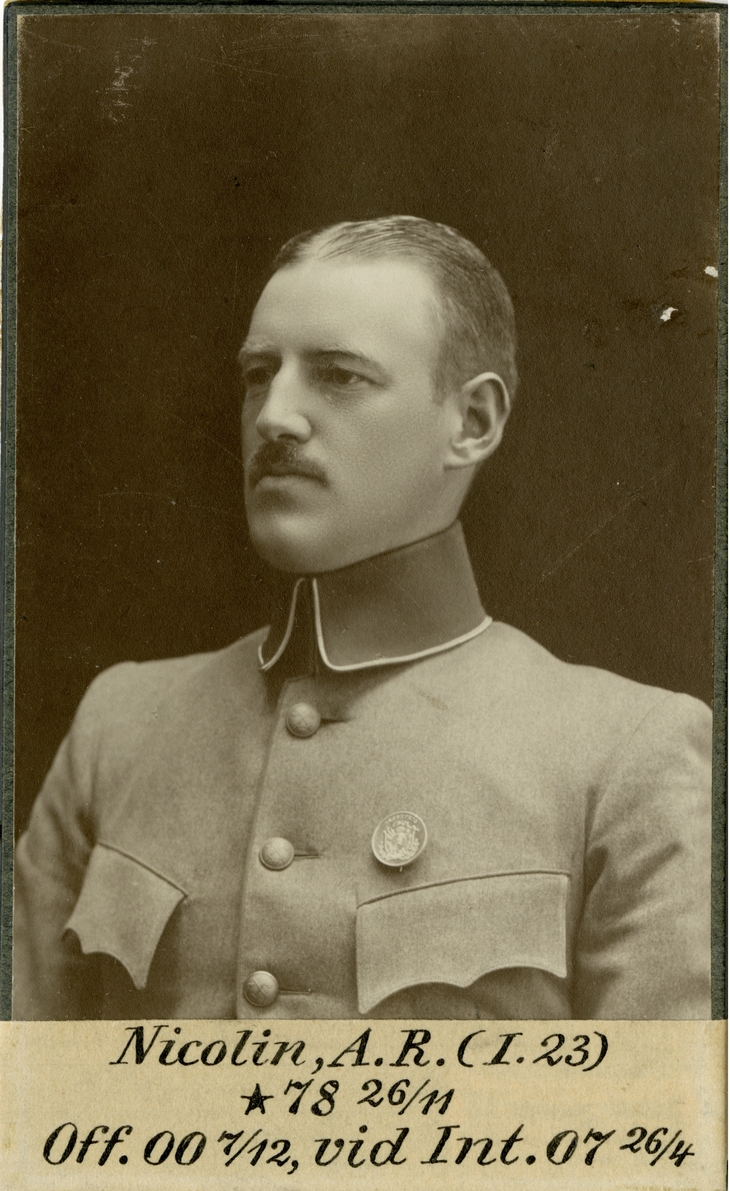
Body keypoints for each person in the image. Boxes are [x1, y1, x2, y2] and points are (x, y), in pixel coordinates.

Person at [13, 216, 711, 1020]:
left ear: (473, 423)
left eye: (340, 375)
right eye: (258, 374)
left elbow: (649, 1103)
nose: (273, 416)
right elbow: (20, 1088)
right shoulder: (119, 730)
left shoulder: (626, 758)